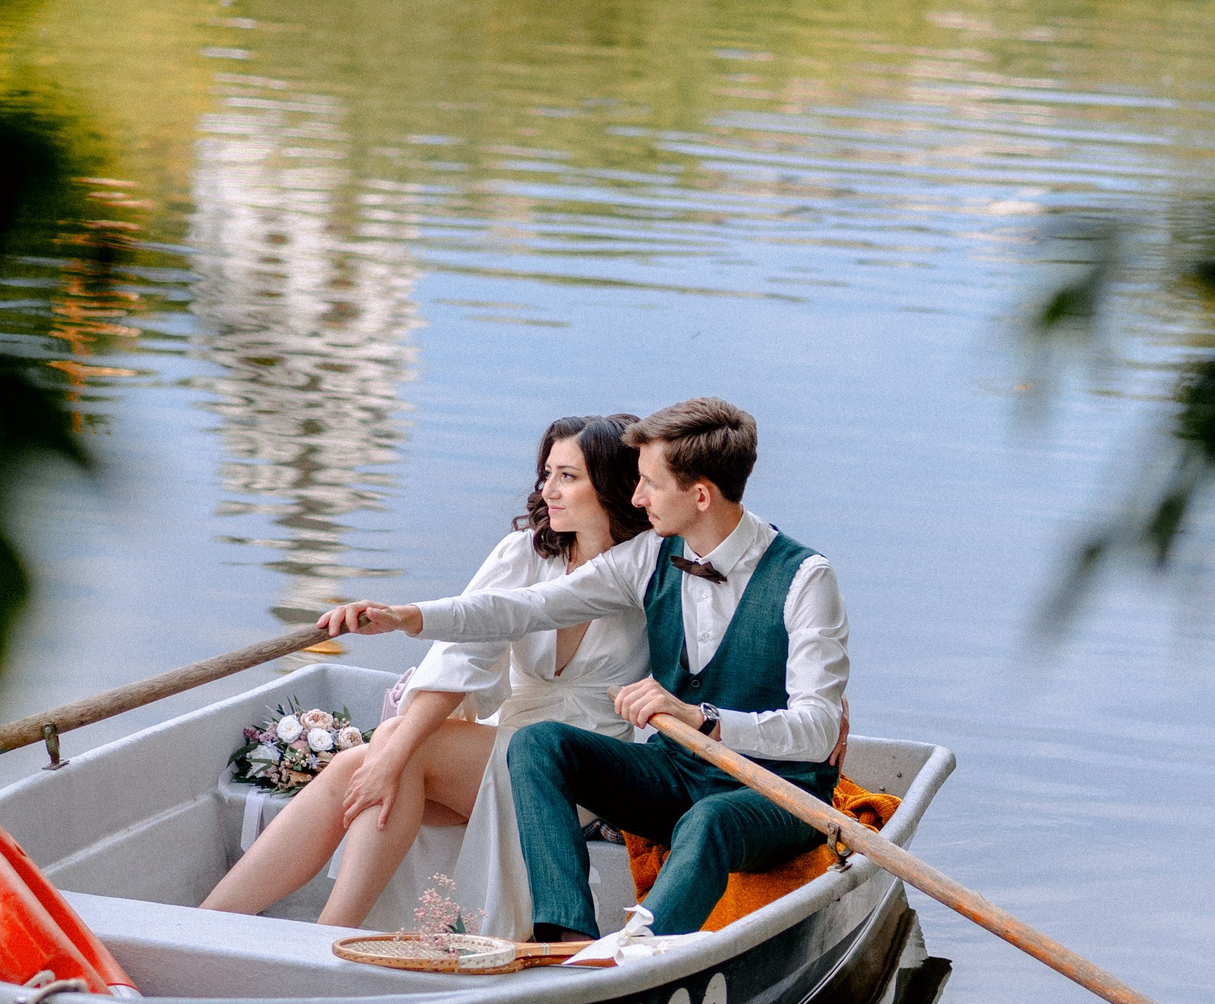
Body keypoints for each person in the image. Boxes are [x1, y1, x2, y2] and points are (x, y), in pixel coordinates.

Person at [319, 397, 846, 941]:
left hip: (775, 792)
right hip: (675, 774)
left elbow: (818, 729)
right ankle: (565, 934)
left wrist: (702, 717)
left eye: (648, 484)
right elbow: (527, 605)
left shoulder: (807, 578)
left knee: (709, 822)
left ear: (701, 496)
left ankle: (638, 950)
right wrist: (407, 616)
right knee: (540, 743)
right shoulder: (648, 557)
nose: (636, 498)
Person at [204, 415, 653, 933]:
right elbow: (461, 656)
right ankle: (222, 927)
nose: (547, 490)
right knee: (364, 764)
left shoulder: (649, 569)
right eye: (546, 473)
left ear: (615, 485)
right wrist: (386, 756)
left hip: (583, 766)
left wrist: (390, 754)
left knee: (390, 753)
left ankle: (323, 936)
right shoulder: (526, 552)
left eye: (568, 477)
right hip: (506, 741)